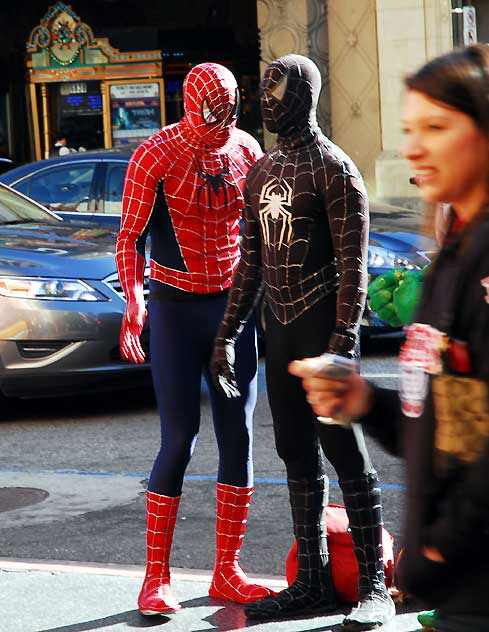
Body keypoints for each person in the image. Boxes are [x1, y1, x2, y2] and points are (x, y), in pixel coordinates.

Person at [289, 44, 489, 632]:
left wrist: (439, 545)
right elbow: (446, 429)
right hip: (459, 594)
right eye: (409, 129)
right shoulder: (451, 252)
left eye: (436, 126)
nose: (413, 147)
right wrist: (361, 401)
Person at [210, 54, 395, 630]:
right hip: (279, 330)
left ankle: (374, 587)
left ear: (305, 96)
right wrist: (227, 333)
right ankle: (311, 580)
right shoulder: (261, 172)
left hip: (321, 330)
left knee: (345, 454)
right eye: (261, 91)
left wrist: (342, 346)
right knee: (294, 453)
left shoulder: (335, 171)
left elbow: (353, 269)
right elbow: (250, 264)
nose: (265, 101)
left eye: (277, 91)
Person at [115, 62, 274, 616]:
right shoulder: (155, 154)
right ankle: (154, 577)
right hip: (176, 310)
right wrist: (134, 304)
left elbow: (262, 233)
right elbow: (130, 239)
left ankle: (227, 570)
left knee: (239, 436)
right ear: (190, 106)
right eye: (211, 119)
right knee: (178, 437)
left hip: (233, 308)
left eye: (227, 118)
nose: (218, 131)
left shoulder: (247, 150)